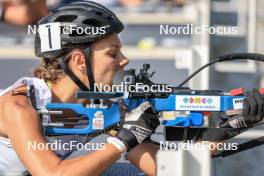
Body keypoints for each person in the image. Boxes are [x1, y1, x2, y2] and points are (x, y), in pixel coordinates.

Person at [0, 1, 160, 175]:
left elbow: (162, 169)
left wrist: (189, 138)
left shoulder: (100, 104)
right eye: (113, 53)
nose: (124, 60)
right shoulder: (19, 104)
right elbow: (52, 174)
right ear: (79, 61)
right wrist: (123, 141)